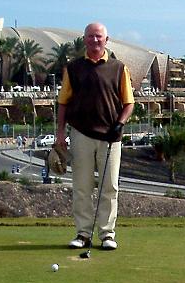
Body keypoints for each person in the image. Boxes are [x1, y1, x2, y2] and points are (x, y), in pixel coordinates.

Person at [56, 22, 134, 251]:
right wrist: (60, 132)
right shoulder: (74, 68)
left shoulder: (119, 68)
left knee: (109, 187)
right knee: (82, 186)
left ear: (106, 40)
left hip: (110, 136)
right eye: (90, 36)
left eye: (99, 36)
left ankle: (107, 234)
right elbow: (63, 102)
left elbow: (129, 103)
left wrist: (120, 124)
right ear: (84, 40)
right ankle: (83, 234)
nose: (95, 40)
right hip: (81, 133)